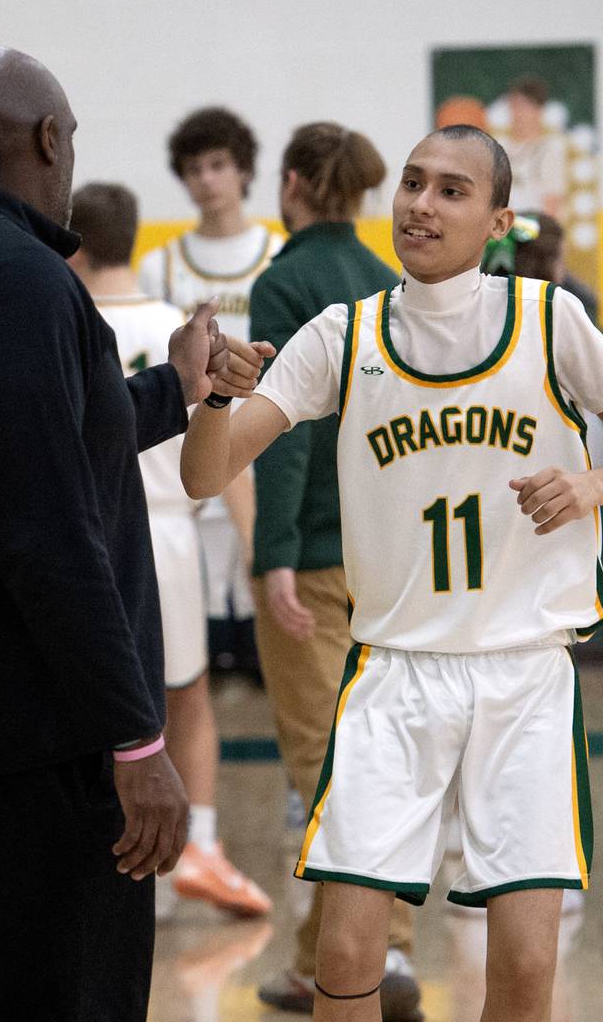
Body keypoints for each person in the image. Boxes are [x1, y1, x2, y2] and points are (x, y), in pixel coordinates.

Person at [181, 125, 603, 1020]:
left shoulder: (550, 319)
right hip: (394, 673)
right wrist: (215, 398)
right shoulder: (343, 332)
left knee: (526, 965)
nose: (422, 203)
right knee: (342, 953)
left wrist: (590, 484)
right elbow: (203, 473)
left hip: (523, 671)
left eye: (452, 190)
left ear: (499, 219)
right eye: (413, 183)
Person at [0, 46, 255, 1020]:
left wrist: (176, 387)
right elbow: (46, 530)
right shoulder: (19, 276)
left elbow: (44, 437)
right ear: (48, 140)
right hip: (17, 761)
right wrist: (136, 735)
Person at [242, 122, 420, 1019]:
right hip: (391, 555)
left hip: (313, 555)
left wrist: (272, 553)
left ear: (299, 182)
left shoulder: (285, 281)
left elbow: (283, 434)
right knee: (376, 755)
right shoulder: (389, 279)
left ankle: (382, 952)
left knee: (327, 767)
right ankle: (325, 962)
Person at [67, 181, 271, 921]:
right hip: (175, 530)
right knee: (186, 700)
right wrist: (252, 545)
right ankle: (198, 847)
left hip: (92, 532)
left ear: (74, 243)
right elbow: (226, 441)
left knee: (107, 704)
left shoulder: (64, 323)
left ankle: (126, 857)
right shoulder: (180, 329)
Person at [139, 106, 279, 670]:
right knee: (195, 651)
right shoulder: (160, 266)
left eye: (219, 165)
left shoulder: (276, 255)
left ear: (244, 171)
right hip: (189, 455)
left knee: (263, 645)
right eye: (194, 169)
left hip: (261, 447)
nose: (207, 179)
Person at [500, 77, 567, 219]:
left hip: (534, 232)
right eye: (513, 106)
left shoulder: (549, 150)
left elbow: (552, 204)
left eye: (523, 106)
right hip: (505, 232)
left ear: (539, 110)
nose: (517, 113)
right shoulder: (500, 148)